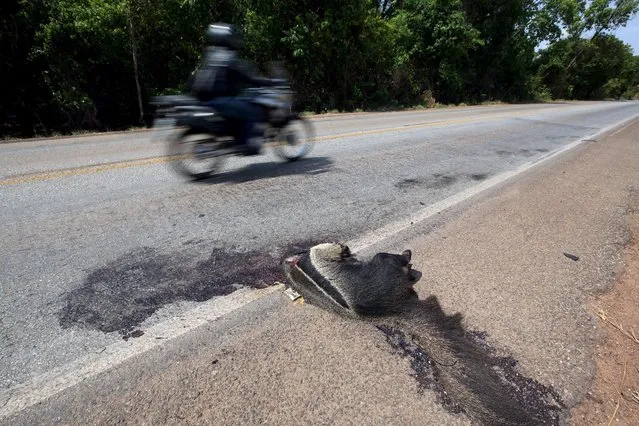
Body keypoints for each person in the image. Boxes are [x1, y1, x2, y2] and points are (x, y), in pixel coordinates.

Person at [189, 23, 283, 155]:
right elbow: (246, 77)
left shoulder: (211, 53)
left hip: (205, 100)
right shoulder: (227, 56)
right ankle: (248, 145)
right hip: (219, 100)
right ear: (227, 38)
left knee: (240, 106)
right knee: (253, 110)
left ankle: (237, 137)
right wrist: (267, 82)